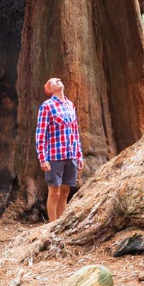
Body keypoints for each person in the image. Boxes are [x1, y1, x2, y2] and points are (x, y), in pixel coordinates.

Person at [35, 77, 83, 221]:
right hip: (54, 156)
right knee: (54, 192)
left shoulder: (70, 105)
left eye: (59, 79)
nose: (58, 80)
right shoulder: (47, 106)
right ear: (49, 89)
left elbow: (75, 132)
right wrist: (43, 158)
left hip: (71, 155)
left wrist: (79, 155)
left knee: (65, 191)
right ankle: (52, 226)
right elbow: (40, 133)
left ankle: (61, 225)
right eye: (53, 81)